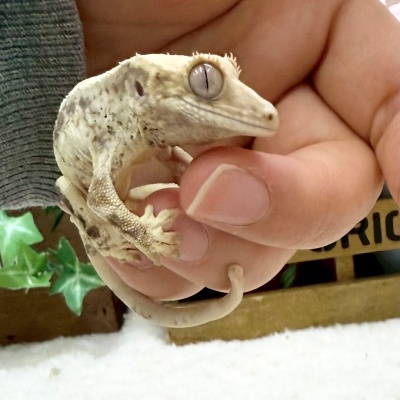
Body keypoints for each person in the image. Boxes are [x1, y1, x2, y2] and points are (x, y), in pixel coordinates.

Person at [1, 0, 400, 301]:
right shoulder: (114, 134)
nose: (261, 108)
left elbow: (165, 154)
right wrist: (141, 232)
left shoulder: (147, 132)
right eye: (205, 82)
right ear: (139, 88)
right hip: (79, 185)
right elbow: (100, 198)